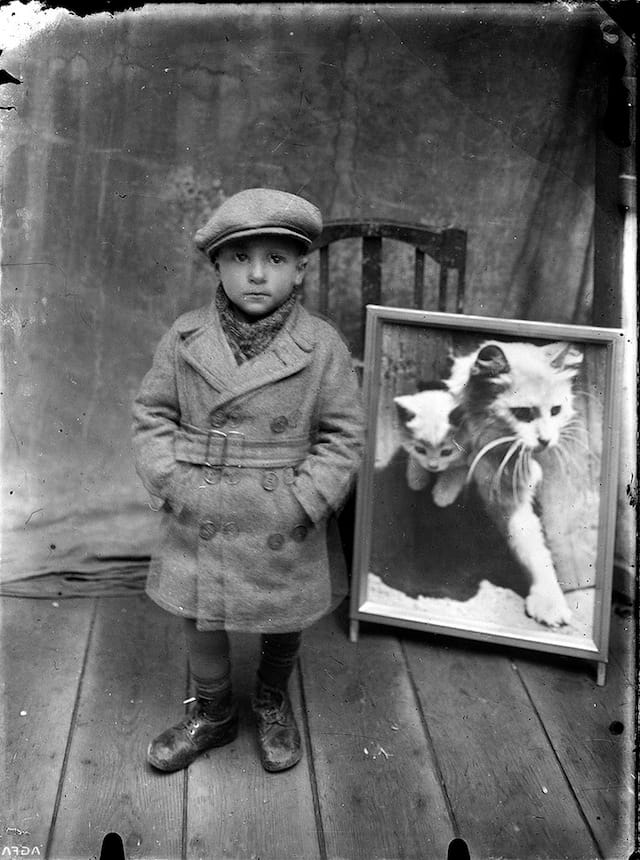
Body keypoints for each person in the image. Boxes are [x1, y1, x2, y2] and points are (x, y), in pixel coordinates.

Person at [132, 187, 364, 774]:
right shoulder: (185, 339)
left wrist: (305, 499)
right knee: (199, 612)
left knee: (282, 614)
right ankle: (212, 713)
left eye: (276, 259)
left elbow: (344, 435)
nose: (257, 274)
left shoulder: (323, 346)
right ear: (218, 265)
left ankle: (269, 698)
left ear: (301, 269)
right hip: (201, 501)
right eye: (240, 258)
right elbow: (152, 414)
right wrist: (171, 480)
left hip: (280, 511)